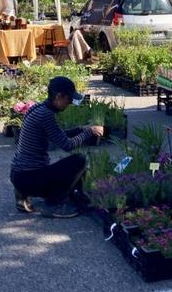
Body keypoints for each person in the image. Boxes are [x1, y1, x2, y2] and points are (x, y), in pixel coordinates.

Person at [10, 77, 103, 217]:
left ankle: (24, 193)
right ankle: (54, 205)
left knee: (70, 165)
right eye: (69, 99)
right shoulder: (46, 115)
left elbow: (56, 135)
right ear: (59, 96)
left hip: (19, 175)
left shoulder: (37, 108)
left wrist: (80, 129)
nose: (70, 103)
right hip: (29, 177)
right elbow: (67, 145)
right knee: (79, 160)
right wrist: (90, 132)